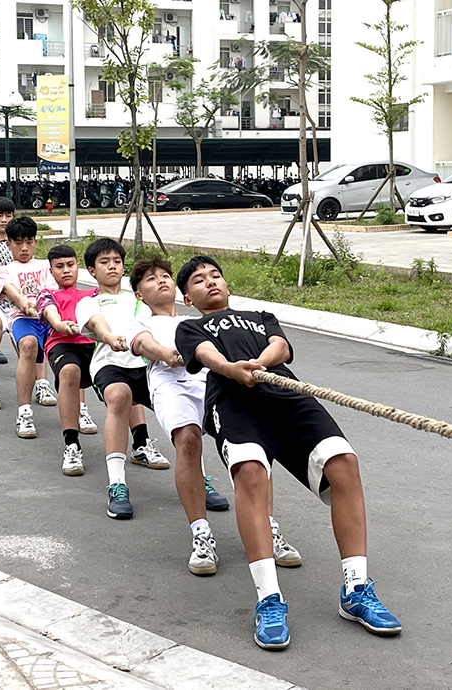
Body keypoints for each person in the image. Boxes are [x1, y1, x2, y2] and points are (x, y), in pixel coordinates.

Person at [174, 255, 401, 650]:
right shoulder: (190, 326)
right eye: (198, 280)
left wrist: (260, 363)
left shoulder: (261, 317)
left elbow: (280, 346)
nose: (210, 282)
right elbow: (206, 353)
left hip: (287, 393)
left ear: (227, 285)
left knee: (344, 463)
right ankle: (269, 600)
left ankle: (356, 589)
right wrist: (231, 368)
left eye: (215, 275)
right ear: (187, 297)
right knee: (250, 474)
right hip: (233, 401)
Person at [128, 257, 305, 577]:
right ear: (139, 294)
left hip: (216, 382)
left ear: (184, 295)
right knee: (188, 440)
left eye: (166, 276)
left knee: (255, 445)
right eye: (151, 280)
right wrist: (169, 354)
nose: (162, 281)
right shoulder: (142, 323)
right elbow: (144, 345)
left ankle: (268, 527)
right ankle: (201, 534)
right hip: (173, 386)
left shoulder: (197, 322)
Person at [70, 238, 170, 520]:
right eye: (104, 262)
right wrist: (110, 337)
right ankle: (117, 484)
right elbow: (97, 324)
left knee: (183, 411)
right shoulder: (88, 302)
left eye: (116, 261)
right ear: (91, 270)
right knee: (119, 396)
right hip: (109, 365)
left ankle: (201, 479)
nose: (112, 266)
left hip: (146, 364)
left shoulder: (138, 299)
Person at [0, 198, 56, 410]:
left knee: (29, 343)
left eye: (7, 215)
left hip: (31, 305)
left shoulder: (35, 259)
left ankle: (41, 383)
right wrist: (20, 300)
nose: (3, 220)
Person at [0, 217, 57, 439]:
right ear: (8, 244)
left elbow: (52, 291)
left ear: (36, 241)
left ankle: (80, 411)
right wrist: (23, 301)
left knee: (71, 358)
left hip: (50, 318)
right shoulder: (2, 271)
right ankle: (24, 413)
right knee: (28, 346)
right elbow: (10, 291)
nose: (24, 247)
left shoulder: (46, 266)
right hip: (22, 318)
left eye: (29, 241)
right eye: (18, 242)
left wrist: (45, 309)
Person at [37, 244, 100, 475]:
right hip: (62, 343)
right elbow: (50, 313)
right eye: (59, 266)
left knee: (125, 372)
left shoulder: (92, 293)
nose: (66, 270)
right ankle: (72, 445)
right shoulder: (47, 294)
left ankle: (141, 441)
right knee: (69, 371)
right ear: (51, 271)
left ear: (78, 267)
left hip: (94, 344)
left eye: (70, 265)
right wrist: (61, 324)